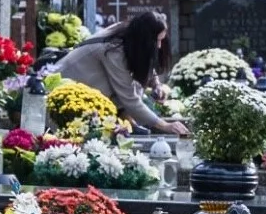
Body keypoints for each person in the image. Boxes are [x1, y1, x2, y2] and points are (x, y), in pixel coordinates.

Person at [52, 10, 187, 135]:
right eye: (156, 40)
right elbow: (129, 98)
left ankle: (129, 123)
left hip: (83, 93)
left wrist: (156, 83)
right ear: (144, 39)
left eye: (161, 40)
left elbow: (141, 60)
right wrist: (164, 125)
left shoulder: (129, 36)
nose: (158, 46)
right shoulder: (114, 51)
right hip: (61, 97)